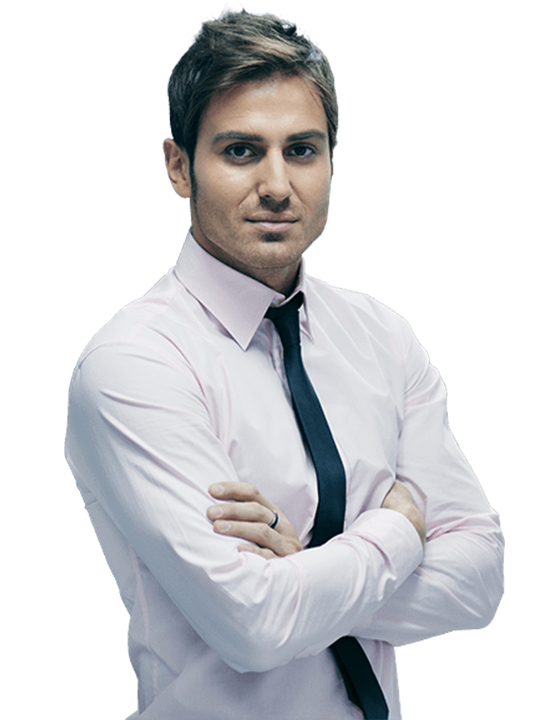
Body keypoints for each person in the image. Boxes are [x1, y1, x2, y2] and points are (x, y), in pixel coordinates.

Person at [66, 10, 504, 720]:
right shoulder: (135, 366)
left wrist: (302, 566)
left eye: (301, 150)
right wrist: (398, 531)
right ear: (180, 167)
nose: (277, 185)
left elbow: (480, 578)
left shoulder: (384, 340)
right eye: (241, 151)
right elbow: (254, 625)